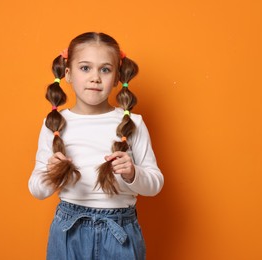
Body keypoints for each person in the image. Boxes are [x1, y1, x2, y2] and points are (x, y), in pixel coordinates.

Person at [28, 32, 164, 260]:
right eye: (85, 68)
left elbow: (155, 184)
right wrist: (52, 174)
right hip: (68, 231)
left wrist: (133, 173)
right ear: (68, 74)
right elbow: (37, 190)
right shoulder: (55, 124)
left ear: (118, 76)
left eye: (105, 69)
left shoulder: (133, 123)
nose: (95, 78)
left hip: (120, 231)